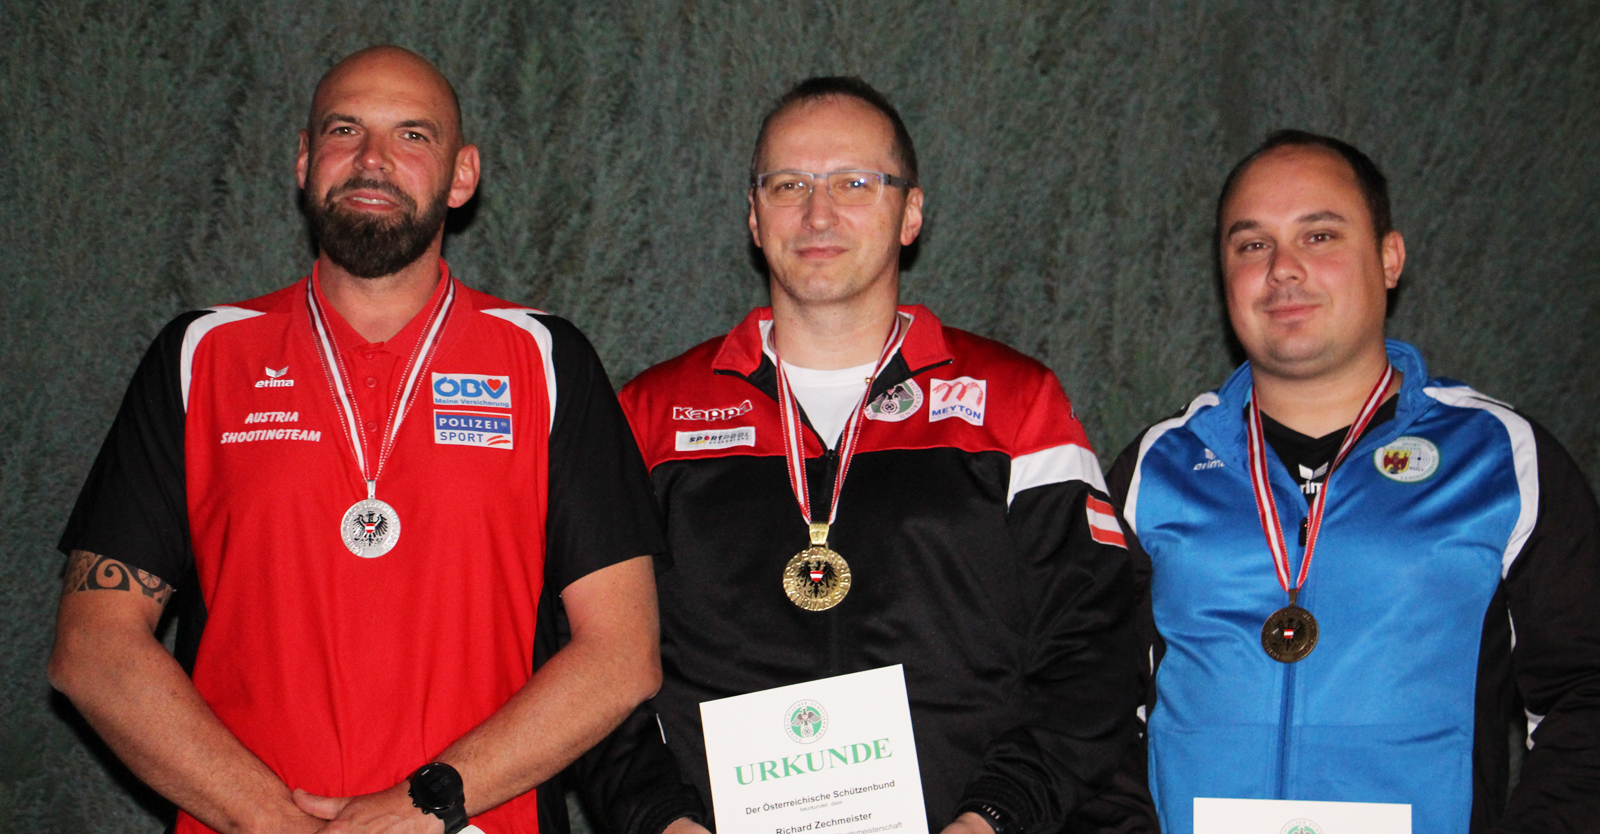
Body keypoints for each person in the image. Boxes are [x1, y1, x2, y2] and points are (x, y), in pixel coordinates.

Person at [48, 45, 666, 834]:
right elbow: (92, 649)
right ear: (306, 161)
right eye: (345, 131)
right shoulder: (202, 355)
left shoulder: (546, 359)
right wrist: (271, 821)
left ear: (462, 174)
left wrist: (421, 808)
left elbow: (621, 654)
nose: (373, 160)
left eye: (413, 136)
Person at [578, 77, 1140, 834]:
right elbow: (587, 657)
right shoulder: (652, 415)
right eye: (788, 184)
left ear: (910, 214)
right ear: (752, 216)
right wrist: (661, 821)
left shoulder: (1016, 404)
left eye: (854, 182)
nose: (818, 212)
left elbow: (1095, 648)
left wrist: (994, 817)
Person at [1107, 130, 1600, 833]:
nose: (1282, 270)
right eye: (1252, 245)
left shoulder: (1501, 459)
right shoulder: (1157, 467)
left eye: (1320, 236)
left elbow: (1585, 696)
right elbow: (1087, 698)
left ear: (1389, 259)